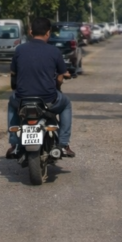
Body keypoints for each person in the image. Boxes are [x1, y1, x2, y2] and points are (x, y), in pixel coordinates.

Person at [6, 17, 74, 159]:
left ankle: (14, 144)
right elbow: (61, 76)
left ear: (31, 32)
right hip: (48, 100)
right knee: (66, 103)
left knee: (12, 103)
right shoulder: (54, 51)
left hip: (22, 100)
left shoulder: (20, 50)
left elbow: (13, 72)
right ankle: (63, 143)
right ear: (48, 32)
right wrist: (58, 85)